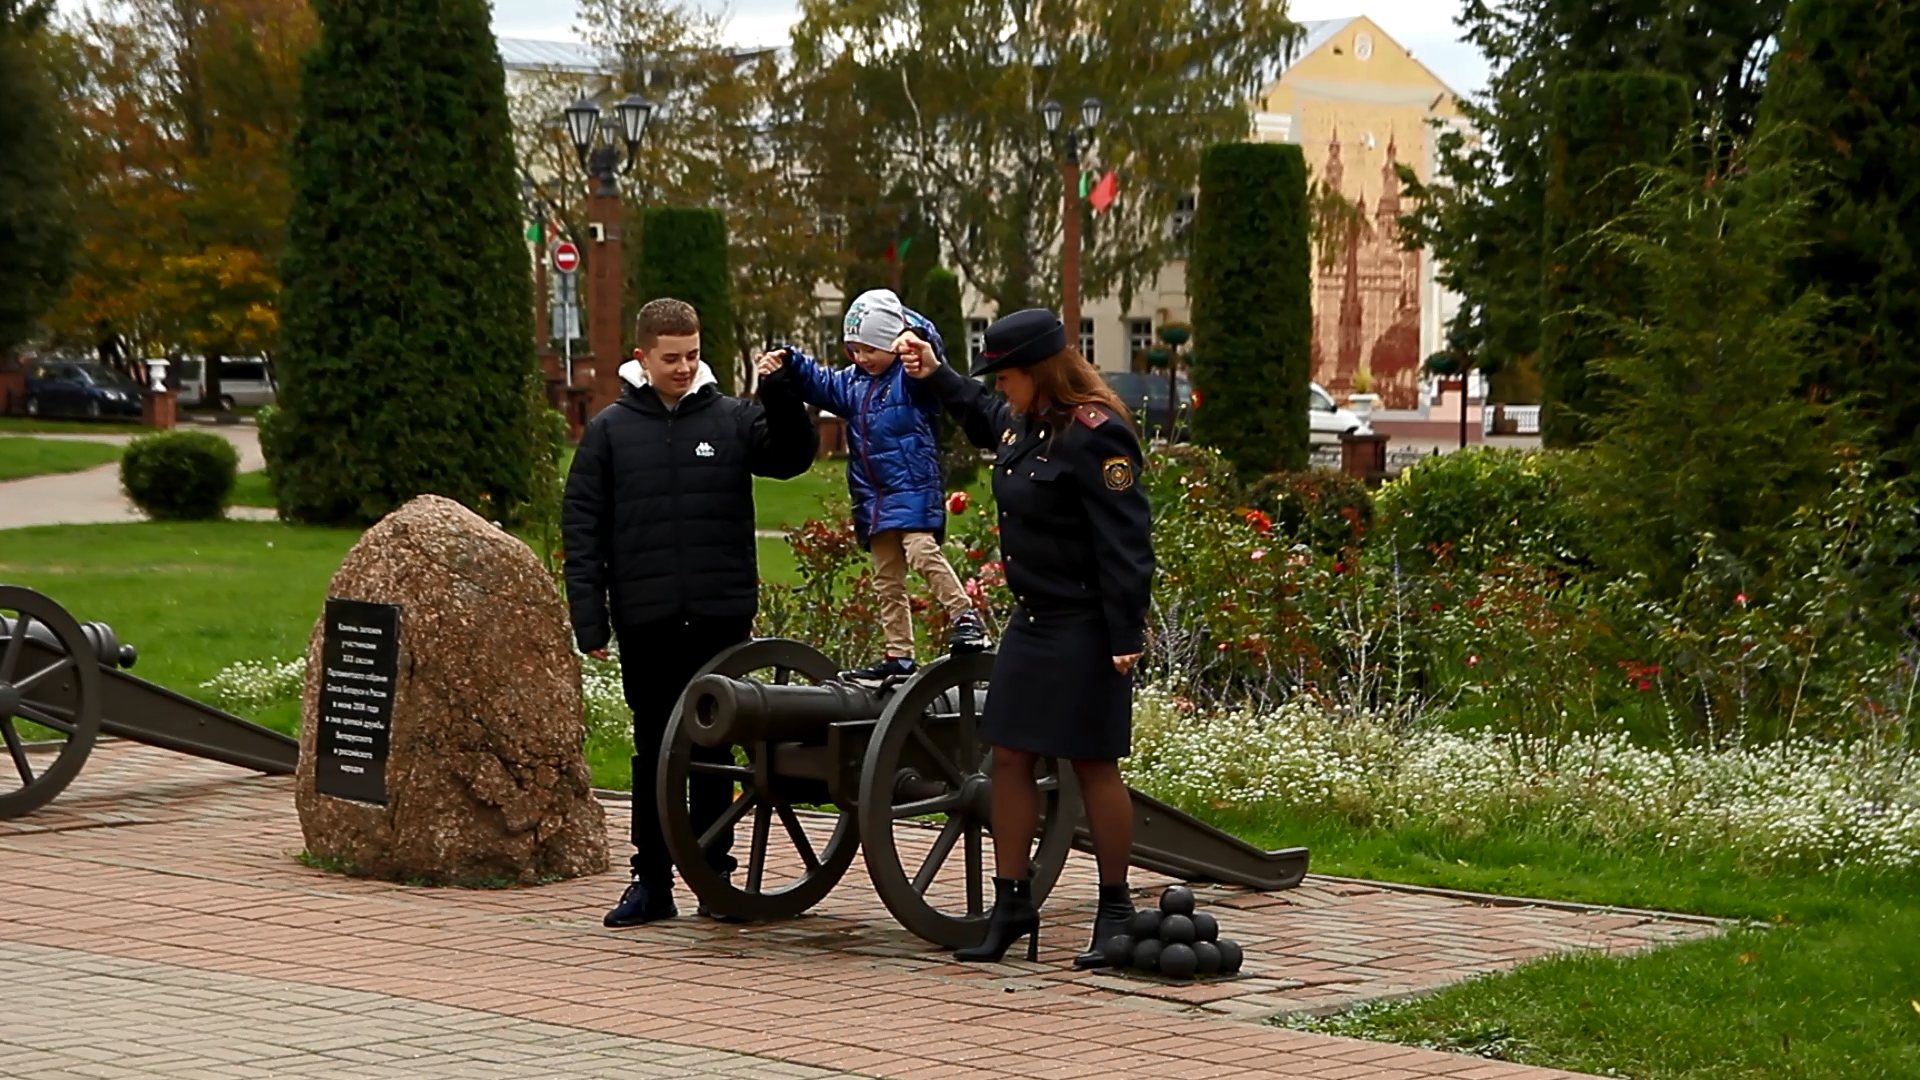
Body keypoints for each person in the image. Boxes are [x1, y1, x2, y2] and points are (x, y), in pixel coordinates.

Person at [896, 308, 1155, 967]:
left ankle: (1116, 910)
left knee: (1092, 761)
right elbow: (979, 409)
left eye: (1007, 376)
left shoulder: (1098, 434)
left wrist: (1125, 630)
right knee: (1007, 756)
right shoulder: (1022, 422)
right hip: (1034, 623)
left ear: (1039, 373)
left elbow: (1127, 543)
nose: (1000, 387)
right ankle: (1012, 904)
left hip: (1088, 625)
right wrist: (935, 372)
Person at [562, 297, 818, 928]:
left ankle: (715, 878)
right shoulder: (610, 432)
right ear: (642, 355)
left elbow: (790, 456)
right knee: (654, 749)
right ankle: (651, 882)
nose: (683, 367)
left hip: (718, 614)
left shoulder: (732, 419)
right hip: (646, 618)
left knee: (713, 749)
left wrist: (781, 392)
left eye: (692, 355)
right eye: (670, 357)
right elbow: (584, 526)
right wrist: (590, 619)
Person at [753, 288, 988, 684]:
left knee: (920, 550)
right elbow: (819, 381)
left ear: (892, 345)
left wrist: (913, 336)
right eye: (854, 350)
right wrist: (789, 361)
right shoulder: (853, 384)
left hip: (912, 487)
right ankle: (899, 654)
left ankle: (965, 615)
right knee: (886, 577)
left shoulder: (912, 378)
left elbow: (931, 356)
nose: (862, 359)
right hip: (875, 499)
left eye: (870, 350)